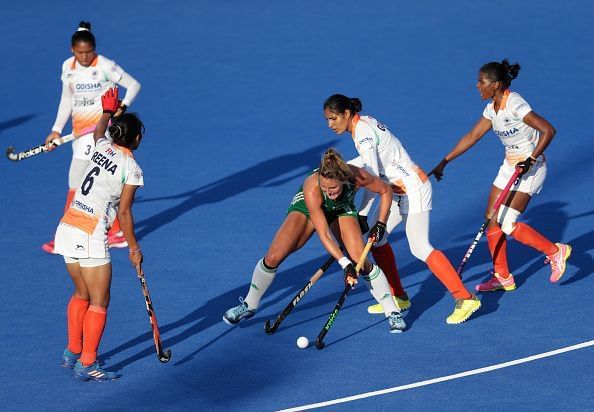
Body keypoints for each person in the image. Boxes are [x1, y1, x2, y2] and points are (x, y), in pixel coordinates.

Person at [323, 94, 481, 325]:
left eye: (333, 118)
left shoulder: (363, 133)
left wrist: (364, 213)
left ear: (346, 114)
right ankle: (399, 296)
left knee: (419, 247)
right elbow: (368, 166)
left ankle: (465, 298)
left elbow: (371, 176)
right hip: (398, 190)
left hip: (413, 189)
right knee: (375, 241)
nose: (330, 124)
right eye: (327, 119)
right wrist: (344, 169)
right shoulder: (362, 124)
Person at [223, 148, 407, 333]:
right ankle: (249, 304)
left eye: (333, 188)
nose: (328, 192)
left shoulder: (357, 175)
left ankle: (392, 312)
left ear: (343, 179)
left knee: (361, 260)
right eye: (325, 187)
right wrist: (344, 264)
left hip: (342, 210)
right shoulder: (312, 187)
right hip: (308, 208)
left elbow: (385, 191)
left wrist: (380, 224)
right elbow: (324, 234)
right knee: (273, 256)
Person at [428, 59, 571, 291]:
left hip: (530, 168)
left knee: (507, 223)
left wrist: (531, 158)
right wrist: (445, 161)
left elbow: (548, 130)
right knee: (492, 219)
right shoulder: (491, 108)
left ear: (495, 85)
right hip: (509, 166)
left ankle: (556, 251)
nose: (477, 86)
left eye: (481, 82)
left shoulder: (514, 104)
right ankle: (502, 276)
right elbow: (472, 136)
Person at [53, 88, 145, 381]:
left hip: (66, 227)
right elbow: (125, 213)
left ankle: (72, 352)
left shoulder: (101, 145)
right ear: (136, 139)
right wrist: (134, 249)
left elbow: (100, 130)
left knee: (81, 293)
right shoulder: (131, 168)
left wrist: (106, 110)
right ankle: (88, 362)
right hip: (90, 233)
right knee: (99, 301)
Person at [42, 21, 141, 254]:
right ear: (71, 50)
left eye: (88, 52)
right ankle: (117, 231)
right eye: (79, 52)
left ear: (94, 49)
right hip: (78, 134)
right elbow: (67, 99)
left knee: (75, 179)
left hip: (98, 132)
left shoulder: (105, 66)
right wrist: (56, 129)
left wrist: (122, 106)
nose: (84, 57)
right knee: (95, 181)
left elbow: (134, 85)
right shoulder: (68, 67)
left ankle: (62, 235)